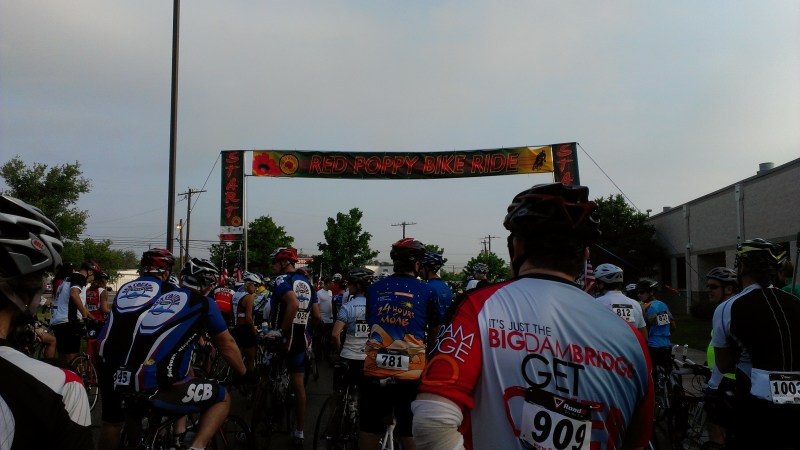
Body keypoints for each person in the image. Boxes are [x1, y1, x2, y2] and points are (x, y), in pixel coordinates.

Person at [413, 183, 653, 450]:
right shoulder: (631, 338)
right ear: (585, 255)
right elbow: (636, 441)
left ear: (516, 247)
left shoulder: (480, 306)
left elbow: (432, 421)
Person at [121, 258, 246, 450]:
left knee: (187, 378)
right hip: (158, 384)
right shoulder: (204, 303)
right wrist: (245, 373)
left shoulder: (162, 299)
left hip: (125, 379)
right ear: (205, 283)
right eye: (212, 284)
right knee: (222, 397)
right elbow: (227, 345)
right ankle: (197, 446)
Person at [0, 195, 94, 449]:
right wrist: (87, 314)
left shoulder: (67, 282)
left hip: (57, 320)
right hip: (68, 324)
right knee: (67, 365)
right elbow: (75, 296)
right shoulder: (61, 387)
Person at [712, 239, 800, 449]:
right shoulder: (795, 302)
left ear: (742, 267)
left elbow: (723, 365)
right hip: (794, 398)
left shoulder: (727, 308)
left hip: (755, 401)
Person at [360, 238, 442, 450]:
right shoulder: (428, 291)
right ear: (417, 265)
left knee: (369, 427)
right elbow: (434, 328)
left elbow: (371, 321)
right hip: (411, 369)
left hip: (375, 364)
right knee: (409, 428)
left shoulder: (374, 288)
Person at [94, 248, 176, 450]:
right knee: (160, 402)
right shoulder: (169, 290)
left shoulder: (125, 288)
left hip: (106, 354)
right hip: (138, 358)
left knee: (111, 421)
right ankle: (159, 434)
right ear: (166, 271)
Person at [265, 247, 318, 446]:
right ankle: (299, 431)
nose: (272, 266)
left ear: (283, 263)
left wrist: (280, 331)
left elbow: (293, 304)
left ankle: (254, 427)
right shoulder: (308, 283)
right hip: (301, 339)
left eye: (274, 262)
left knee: (263, 379)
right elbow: (317, 315)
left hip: (283, 338)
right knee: (298, 385)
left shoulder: (282, 280)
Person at [703, 267, 738, 447]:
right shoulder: (735, 307)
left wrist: (713, 385)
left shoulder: (725, 310)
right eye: (708, 286)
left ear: (729, 289)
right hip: (735, 380)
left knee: (716, 431)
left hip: (723, 381)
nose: (708, 290)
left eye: (714, 287)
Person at [50, 258, 102, 363]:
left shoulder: (68, 279)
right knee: (72, 359)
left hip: (59, 322)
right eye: (94, 277)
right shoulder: (79, 277)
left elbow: (79, 304)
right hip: (68, 322)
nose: (92, 280)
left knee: (63, 359)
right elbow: (74, 294)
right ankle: (72, 378)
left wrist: (94, 318)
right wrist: (84, 315)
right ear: (90, 271)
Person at [331, 268, 373, 389]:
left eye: (350, 283)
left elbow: (335, 334)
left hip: (348, 356)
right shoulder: (375, 307)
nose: (348, 286)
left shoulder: (347, 307)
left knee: (338, 392)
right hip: (368, 358)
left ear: (358, 285)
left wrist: (339, 350)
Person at [594, 263, 648, 340]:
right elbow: (644, 335)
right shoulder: (635, 304)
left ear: (601, 283)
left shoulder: (597, 302)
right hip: (632, 349)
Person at [637, 279, 675, 378]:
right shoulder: (663, 305)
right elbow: (673, 325)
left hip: (652, 345)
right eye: (638, 292)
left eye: (642, 292)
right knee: (668, 372)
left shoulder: (644, 307)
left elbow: (642, 328)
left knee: (650, 374)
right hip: (666, 344)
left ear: (651, 292)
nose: (639, 295)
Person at [231, 271, 262, 377]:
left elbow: (233, 312)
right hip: (246, 329)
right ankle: (250, 380)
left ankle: (235, 375)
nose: (257, 288)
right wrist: (254, 332)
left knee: (238, 356)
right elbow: (249, 318)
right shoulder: (249, 297)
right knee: (250, 360)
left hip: (236, 327)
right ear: (249, 284)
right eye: (256, 285)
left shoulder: (235, 294)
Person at [421, 251, 454, 320]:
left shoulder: (427, 288)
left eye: (422, 267)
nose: (422, 271)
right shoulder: (447, 287)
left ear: (427, 268)